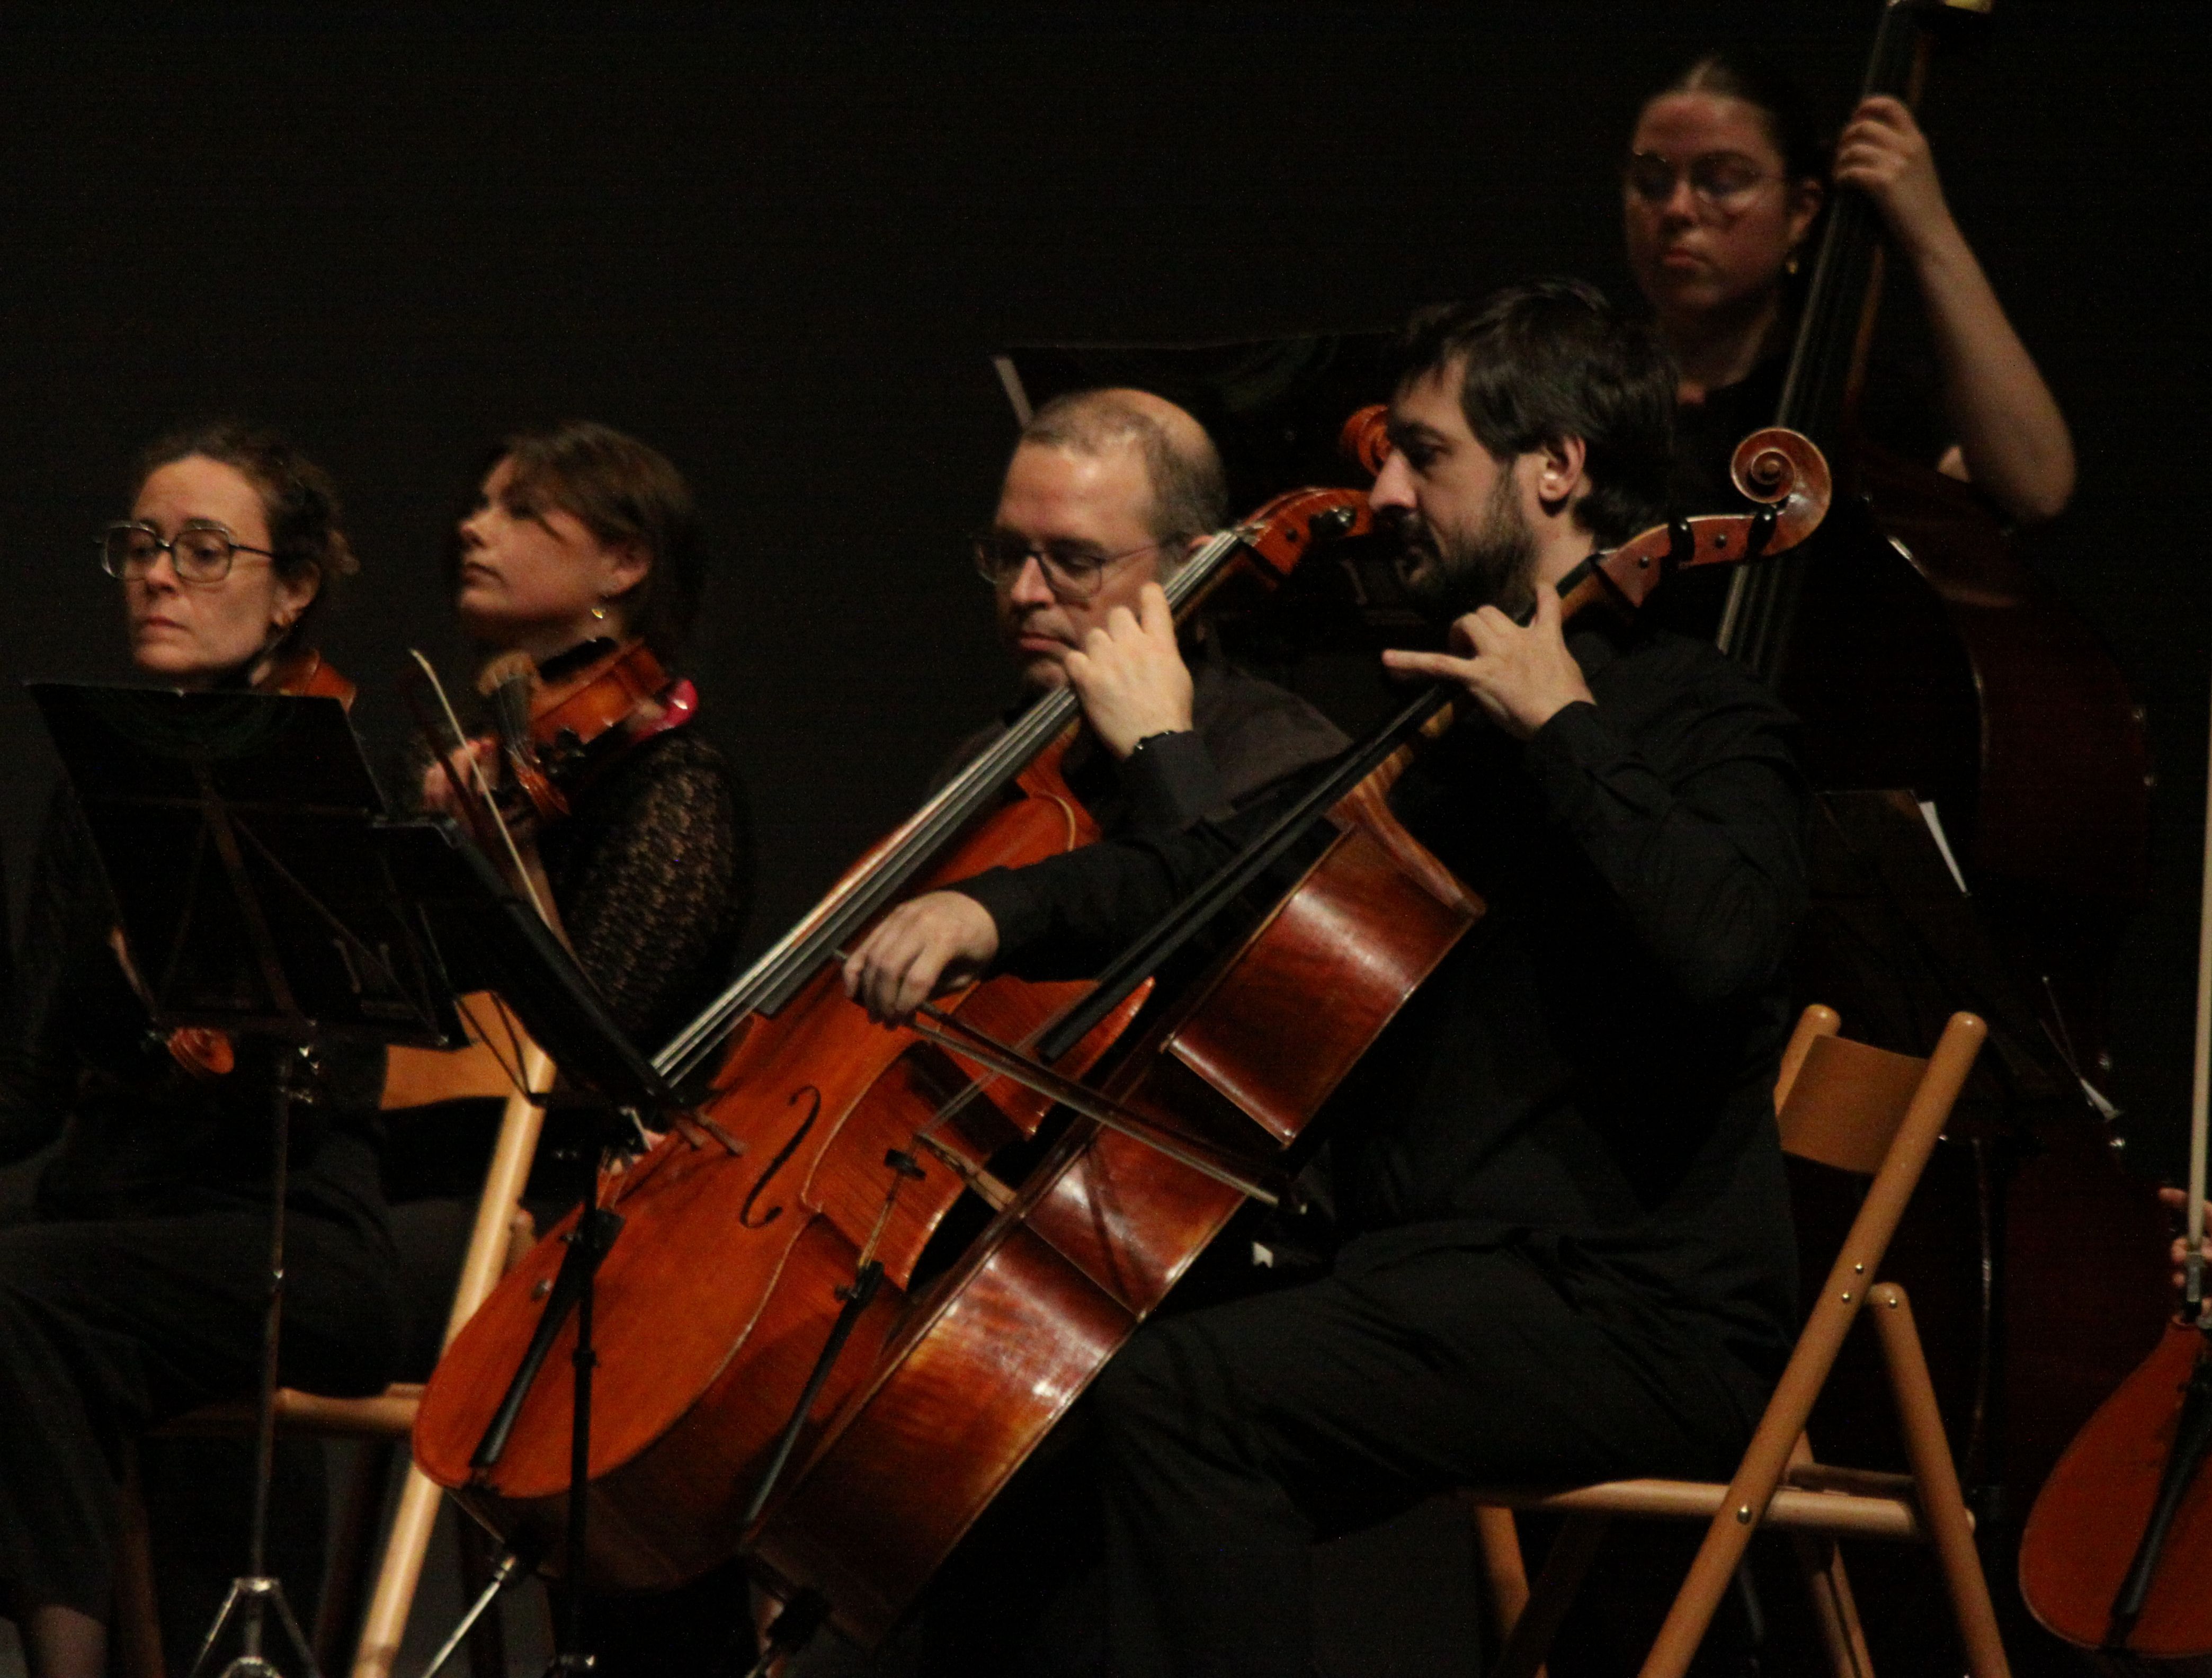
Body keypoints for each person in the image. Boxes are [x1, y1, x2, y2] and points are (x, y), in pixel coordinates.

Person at [843, 279, 1809, 1678]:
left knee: (1188, 1399)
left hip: (1633, 1315)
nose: (1385, 493)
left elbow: (1724, 949)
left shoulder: (1703, 719)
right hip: (1434, 1283)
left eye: (1424, 455)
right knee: (1024, 1418)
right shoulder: (1444, 719)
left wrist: (1569, 734)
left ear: (1557, 469)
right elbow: (1226, 879)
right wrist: (987, 913)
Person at [0, 425, 390, 1678]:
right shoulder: (93, 780)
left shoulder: (323, 775)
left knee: (12, 1289)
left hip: (289, 1232)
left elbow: (323, 1076)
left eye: (205, 550)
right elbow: (32, 1078)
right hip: (121, 1229)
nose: (157, 573)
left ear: (293, 591)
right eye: (141, 545)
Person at [386, 421, 756, 1678]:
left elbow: (604, 1033)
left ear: (620, 563)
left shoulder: (671, 783)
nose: (472, 529)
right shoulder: (490, 762)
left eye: (519, 512)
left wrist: (489, 875)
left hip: (588, 1209)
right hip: (439, 1172)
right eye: (477, 503)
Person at [1627, 48, 2074, 525]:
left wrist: (1930, 232)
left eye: (1722, 180)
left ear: (1801, 211)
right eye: (1651, 180)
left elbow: (2038, 488)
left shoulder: (1857, 407)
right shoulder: (1583, 392)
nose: (1677, 209)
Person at [965, 386, 1346, 834]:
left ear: (1192, 569)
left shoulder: (1284, 762)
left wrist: (1165, 765)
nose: (1025, 593)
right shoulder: (982, 762)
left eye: (1074, 561)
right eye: (1008, 554)